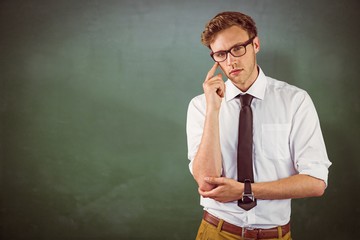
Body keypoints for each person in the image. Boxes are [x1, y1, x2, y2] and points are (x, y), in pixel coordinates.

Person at [186, 11, 331, 240]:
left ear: (255, 44)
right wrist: (213, 110)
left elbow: (315, 182)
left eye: (237, 49)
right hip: (217, 231)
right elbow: (206, 181)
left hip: (275, 235)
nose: (231, 60)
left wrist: (246, 191)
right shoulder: (201, 106)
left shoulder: (295, 100)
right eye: (221, 54)